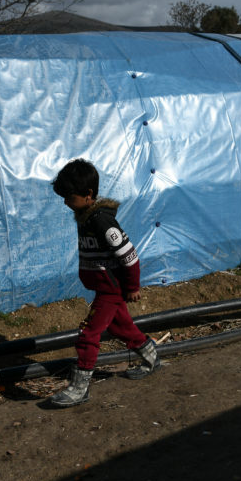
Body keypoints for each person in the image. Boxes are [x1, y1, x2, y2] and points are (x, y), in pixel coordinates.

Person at [48, 158, 161, 407]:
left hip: (111, 289)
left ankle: (79, 388)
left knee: (88, 333)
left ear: (88, 194)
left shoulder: (102, 222)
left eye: (70, 197)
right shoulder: (85, 217)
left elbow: (129, 256)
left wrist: (132, 287)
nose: (66, 202)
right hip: (104, 286)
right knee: (122, 327)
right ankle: (151, 357)